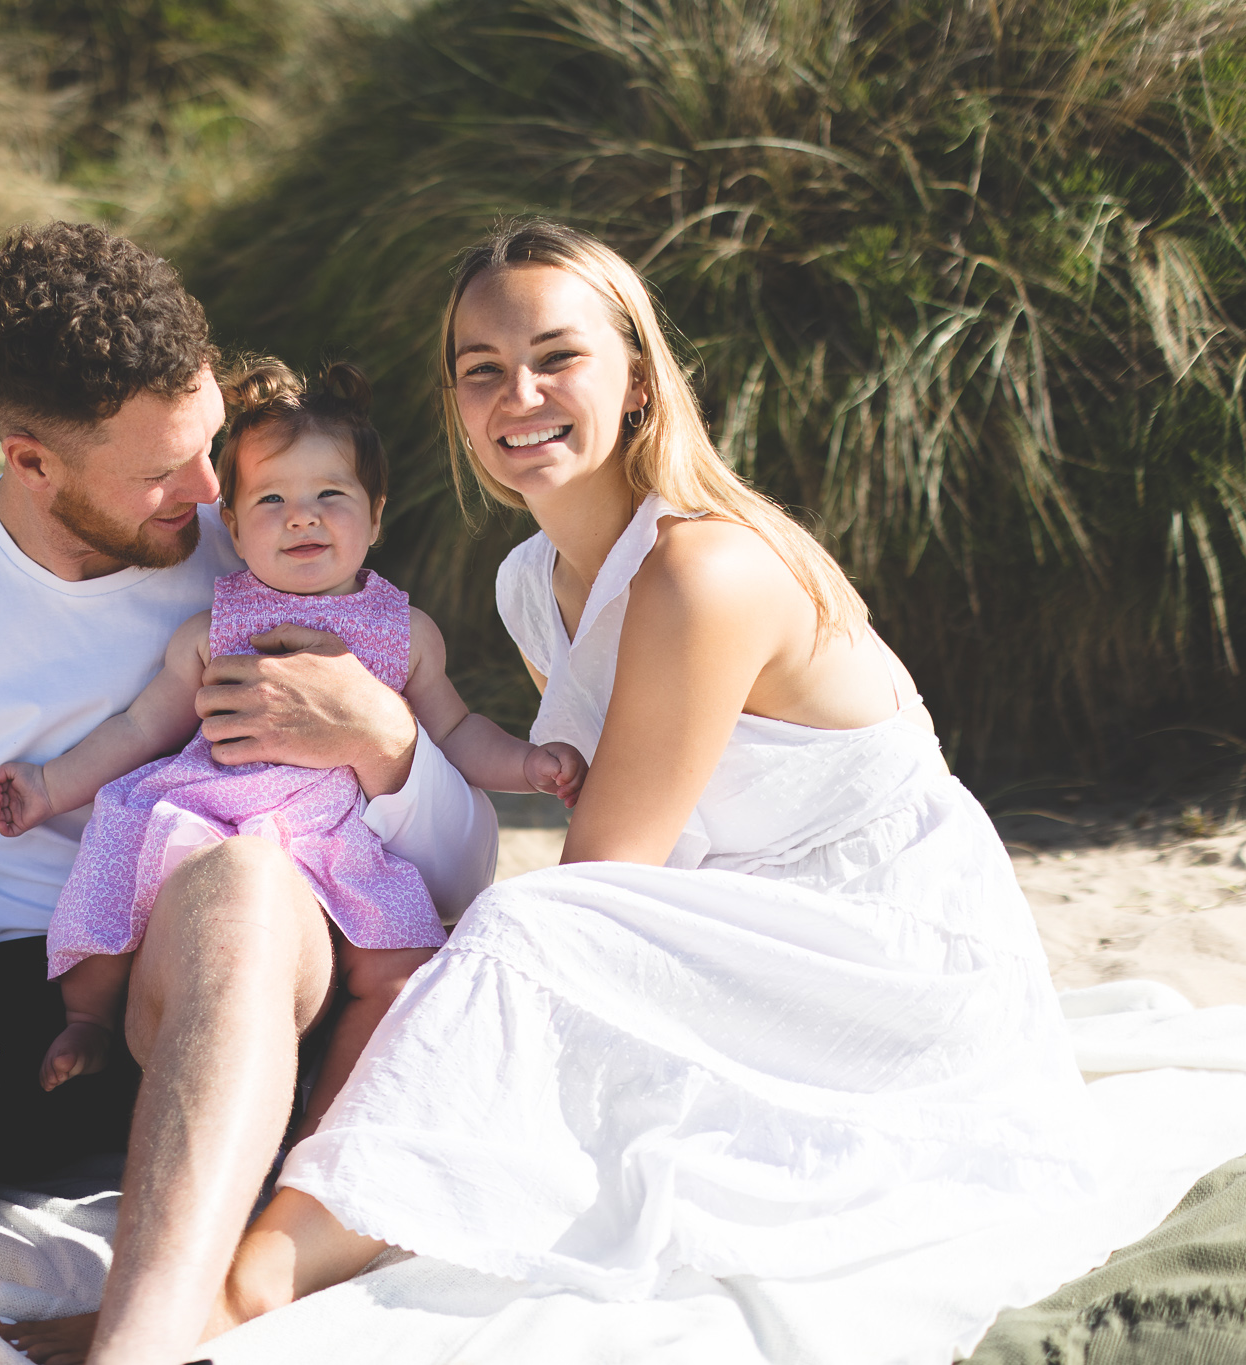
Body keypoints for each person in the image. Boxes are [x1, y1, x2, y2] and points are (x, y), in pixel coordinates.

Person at [157, 219, 1098, 1348]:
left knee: (514, 931)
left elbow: (595, 888)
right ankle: (300, 1228)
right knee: (463, 960)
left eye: (557, 358)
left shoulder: (704, 570)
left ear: (638, 381)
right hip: (740, 936)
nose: (518, 396)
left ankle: (249, 1281)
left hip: (882, 959)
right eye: (481, 372)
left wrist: (391, 757)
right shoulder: (531, 584)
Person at [0, 221, 497, 1365]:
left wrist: (384, 748)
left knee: (237, 879)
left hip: (238, 1003)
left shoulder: (268, 543)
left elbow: (461, 874)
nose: (203, 492)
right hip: (3, 1018)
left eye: (204, 443)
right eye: (158, 472)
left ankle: (137, 1350)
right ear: (30, 460)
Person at [0, 359, 585, 1132]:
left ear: (375, 514)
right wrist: (47, 785)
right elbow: (141, 730)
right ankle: (90, 1019)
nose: (302, 517)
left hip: (339, 840)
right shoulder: (214, 628)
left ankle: (327, 1129)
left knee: (401, 966)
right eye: (271, 500)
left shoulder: (406, 636)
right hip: (217, 819)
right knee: (119, 863)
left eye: (329, 496)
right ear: (231, 526)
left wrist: (531, 765)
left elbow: (457, 734)